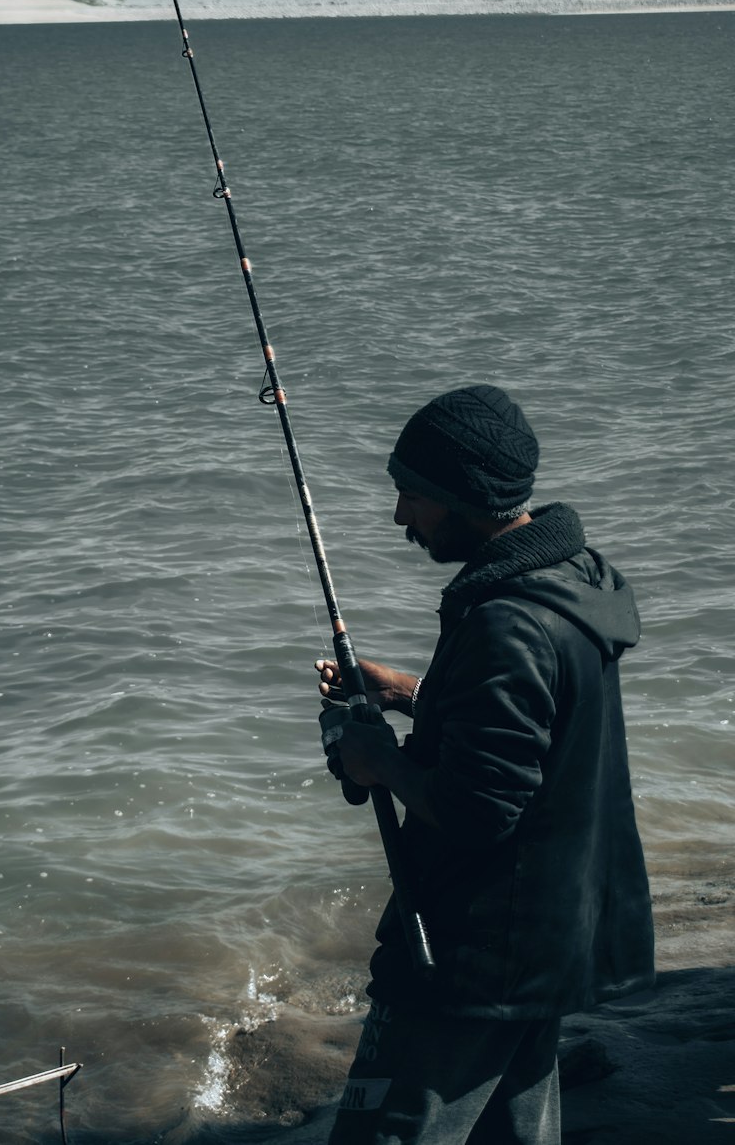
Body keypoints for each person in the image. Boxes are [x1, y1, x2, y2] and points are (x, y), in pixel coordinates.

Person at [315, 384, 654, 1145]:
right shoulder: (569, 583)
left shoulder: (507, 622)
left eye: (414, 496)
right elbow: (534, 730)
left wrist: (379, 762)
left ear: (464, 496)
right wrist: (409, 693)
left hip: (473, 957)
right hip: (546, 942)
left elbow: (479, 807)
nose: (402, 516)